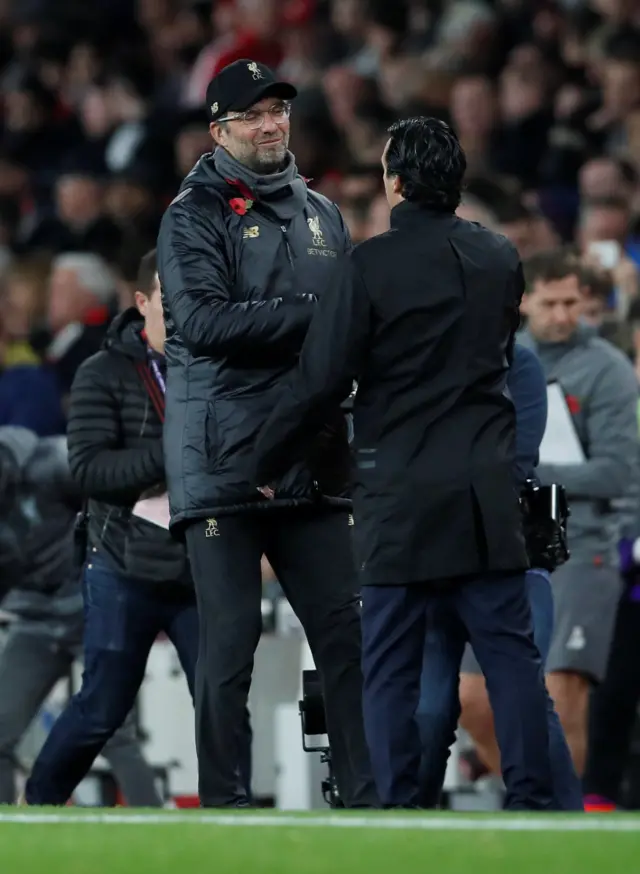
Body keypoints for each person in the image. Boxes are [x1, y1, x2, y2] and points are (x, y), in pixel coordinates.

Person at [251, 116, 555, 810]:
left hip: (400, 493)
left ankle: (392, 809)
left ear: (394, 182)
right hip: (485, 491)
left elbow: (320, 380)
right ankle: (534, 803)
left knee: (389, 662)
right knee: (511, 659)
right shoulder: (500, 257)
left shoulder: (368, 266)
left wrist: (266, 458)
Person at [157, 59, 376, 810]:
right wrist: (318, 314)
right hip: (225, 457)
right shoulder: (192, 214)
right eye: (252, 115)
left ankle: (365, 797)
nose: (271, 124)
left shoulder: (324, 213)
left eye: (278, 109)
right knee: (229, 644)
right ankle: (224, 806)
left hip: (313, 453)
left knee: (346, 634)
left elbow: (349, 331)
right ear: (219, 131)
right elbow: (201, 322)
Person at [24, 250, 252, 805]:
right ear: (143, 301)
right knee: (103, 706)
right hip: (124, 566)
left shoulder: (220, 370)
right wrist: (175, 455)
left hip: (202, 565)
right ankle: (38, 802)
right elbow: (90, 471)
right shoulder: (102, 373)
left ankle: (234, 813)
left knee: (222, 700)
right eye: (171, 302)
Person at [416, 343, 583, 811]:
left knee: (523, 696)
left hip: (508, 560)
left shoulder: (519, 364)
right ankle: (408, 817)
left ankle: (559, 815)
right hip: (426, 562)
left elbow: (515, 463)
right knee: (428, 709)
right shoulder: (412, 354)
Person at [516, 249, 638, 778]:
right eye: (551, 303)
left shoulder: (606, 367)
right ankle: (534, 796)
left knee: (563, 690)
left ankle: (561, 808)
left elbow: (615, 472)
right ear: (525, 302)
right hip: (508, 543)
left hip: (583, 542)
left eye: (572, 303)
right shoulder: (501, 357)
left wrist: (524, 470)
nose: (563, 314)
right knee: (472, 697)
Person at [0, 426, 159, 806]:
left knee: (114, 729)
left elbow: (120, 498)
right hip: (36, 619)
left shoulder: (50, 465)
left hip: (92, 607)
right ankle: (6, 827)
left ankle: (152, 818)